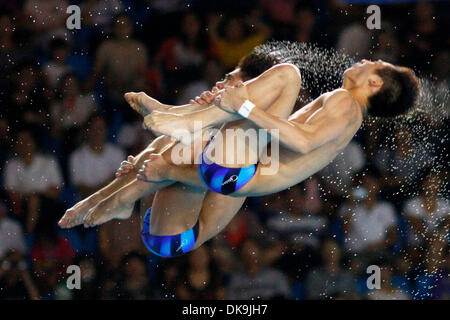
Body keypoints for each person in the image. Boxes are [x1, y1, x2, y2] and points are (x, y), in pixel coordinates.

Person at [62, 44, 420, 259]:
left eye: (370, 63)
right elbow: (283, 140)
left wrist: (244, 108)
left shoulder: (346, 104)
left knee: (289, 75)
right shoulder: (344, 112)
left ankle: (177, 123)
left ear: (374, 83)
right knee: (172, 146)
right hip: (211, 197)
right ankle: (171, 127)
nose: (360, 61)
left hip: (200, 207)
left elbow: (304, 141)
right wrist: (227, 113)